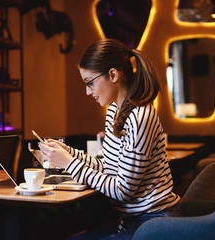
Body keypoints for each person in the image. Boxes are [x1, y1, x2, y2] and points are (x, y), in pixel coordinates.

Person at [38, 39, 181, 239]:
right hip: (133, 222)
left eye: (90, 83)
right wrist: (69, 152)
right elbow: (108, 166)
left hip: (155, 223)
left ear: (113, 75)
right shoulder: (114, 110)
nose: (88, 92)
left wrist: (69, 163)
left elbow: (122, 191)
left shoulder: (140, 116)